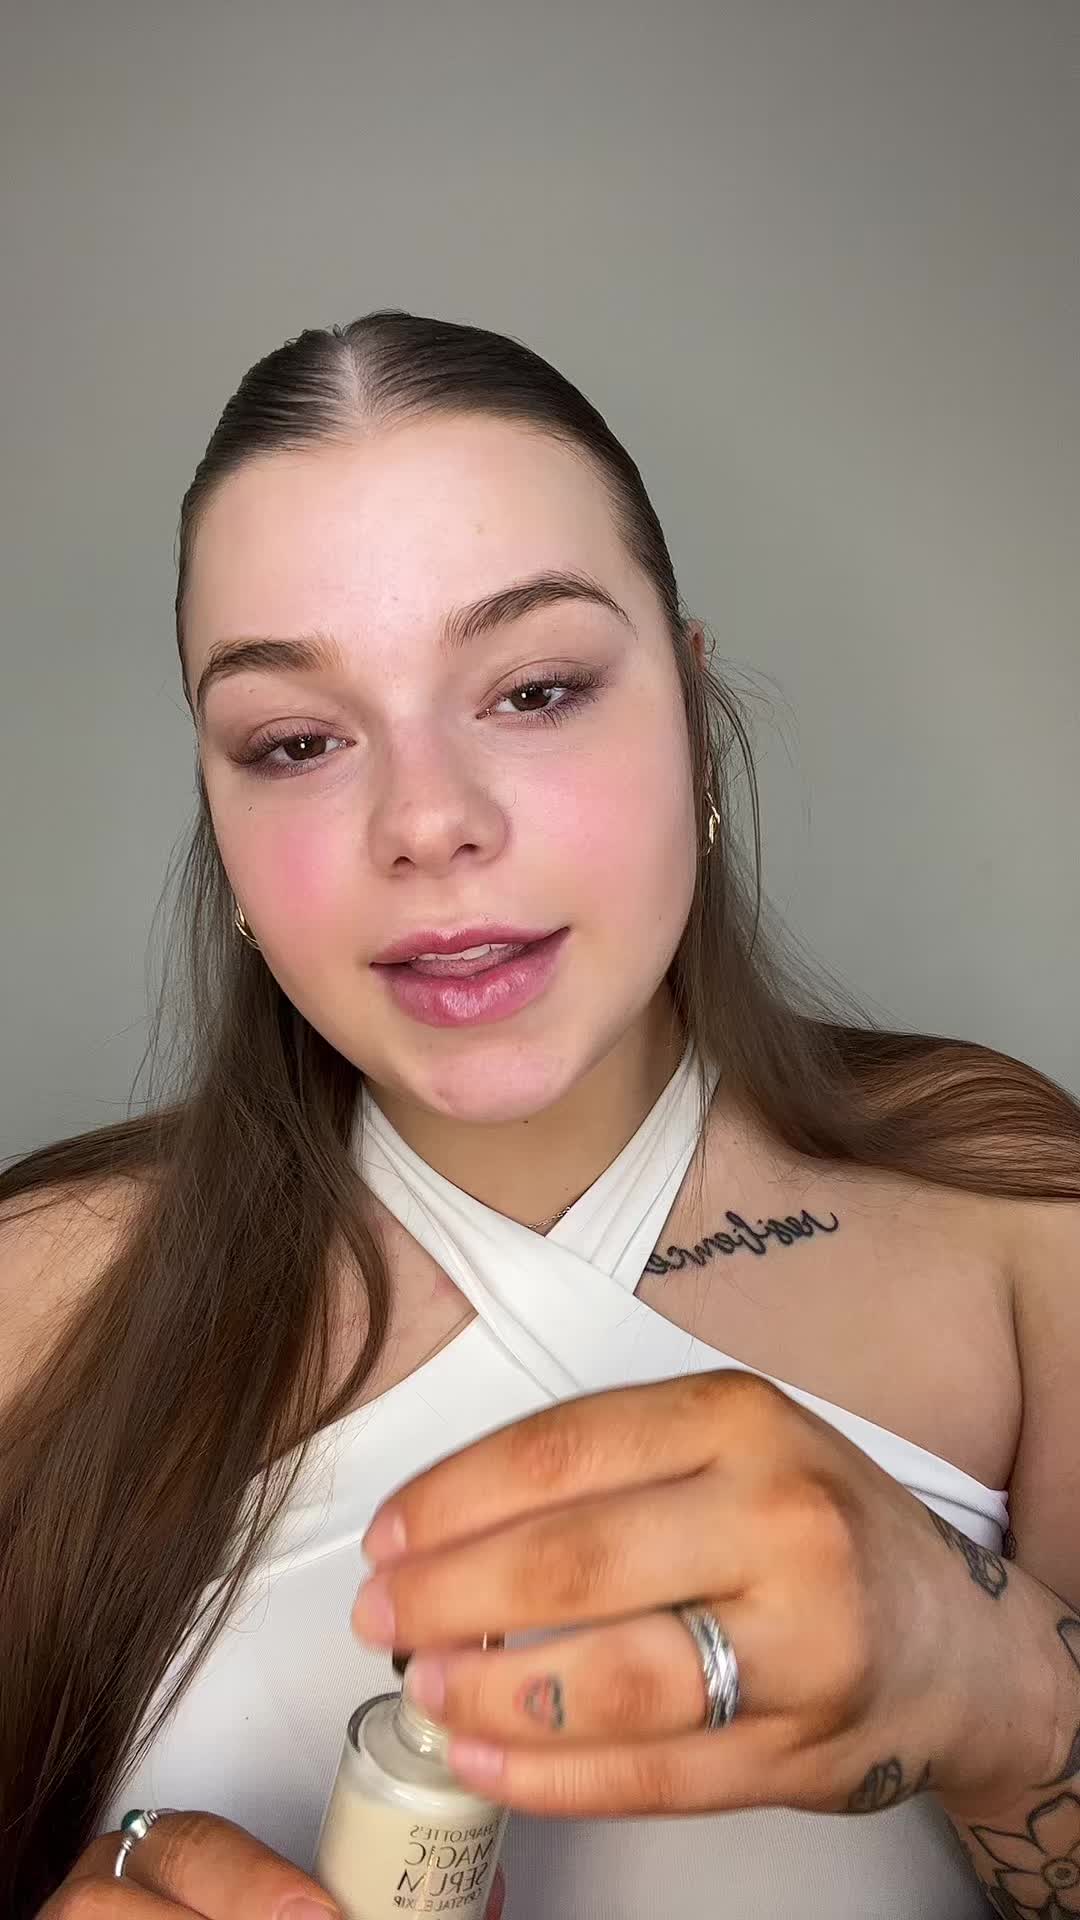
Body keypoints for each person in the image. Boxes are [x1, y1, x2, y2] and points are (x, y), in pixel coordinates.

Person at [1, 308, 1078, 1920]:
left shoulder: (1014, 1217)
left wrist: (996, 1687)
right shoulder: (35, 1297)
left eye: (536, 689)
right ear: (219, 814)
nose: (428, 820)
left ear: (692, 714)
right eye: (296, 741)